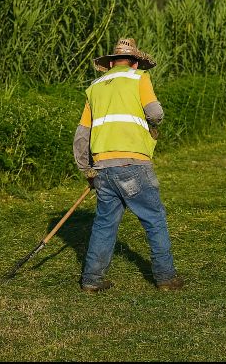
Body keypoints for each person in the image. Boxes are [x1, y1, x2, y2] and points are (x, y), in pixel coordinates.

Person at [73, 38, 183, 293]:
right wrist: (151, 126)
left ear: (111, 63)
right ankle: (166, 278)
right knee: (154, 219)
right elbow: (155, 113)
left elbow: (82, 135)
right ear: (135, 63)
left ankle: (92, 280)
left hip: (102, 166)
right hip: (133, 164)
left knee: (104, 224)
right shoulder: (139, 78)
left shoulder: (94, 88)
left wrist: (86, 169)